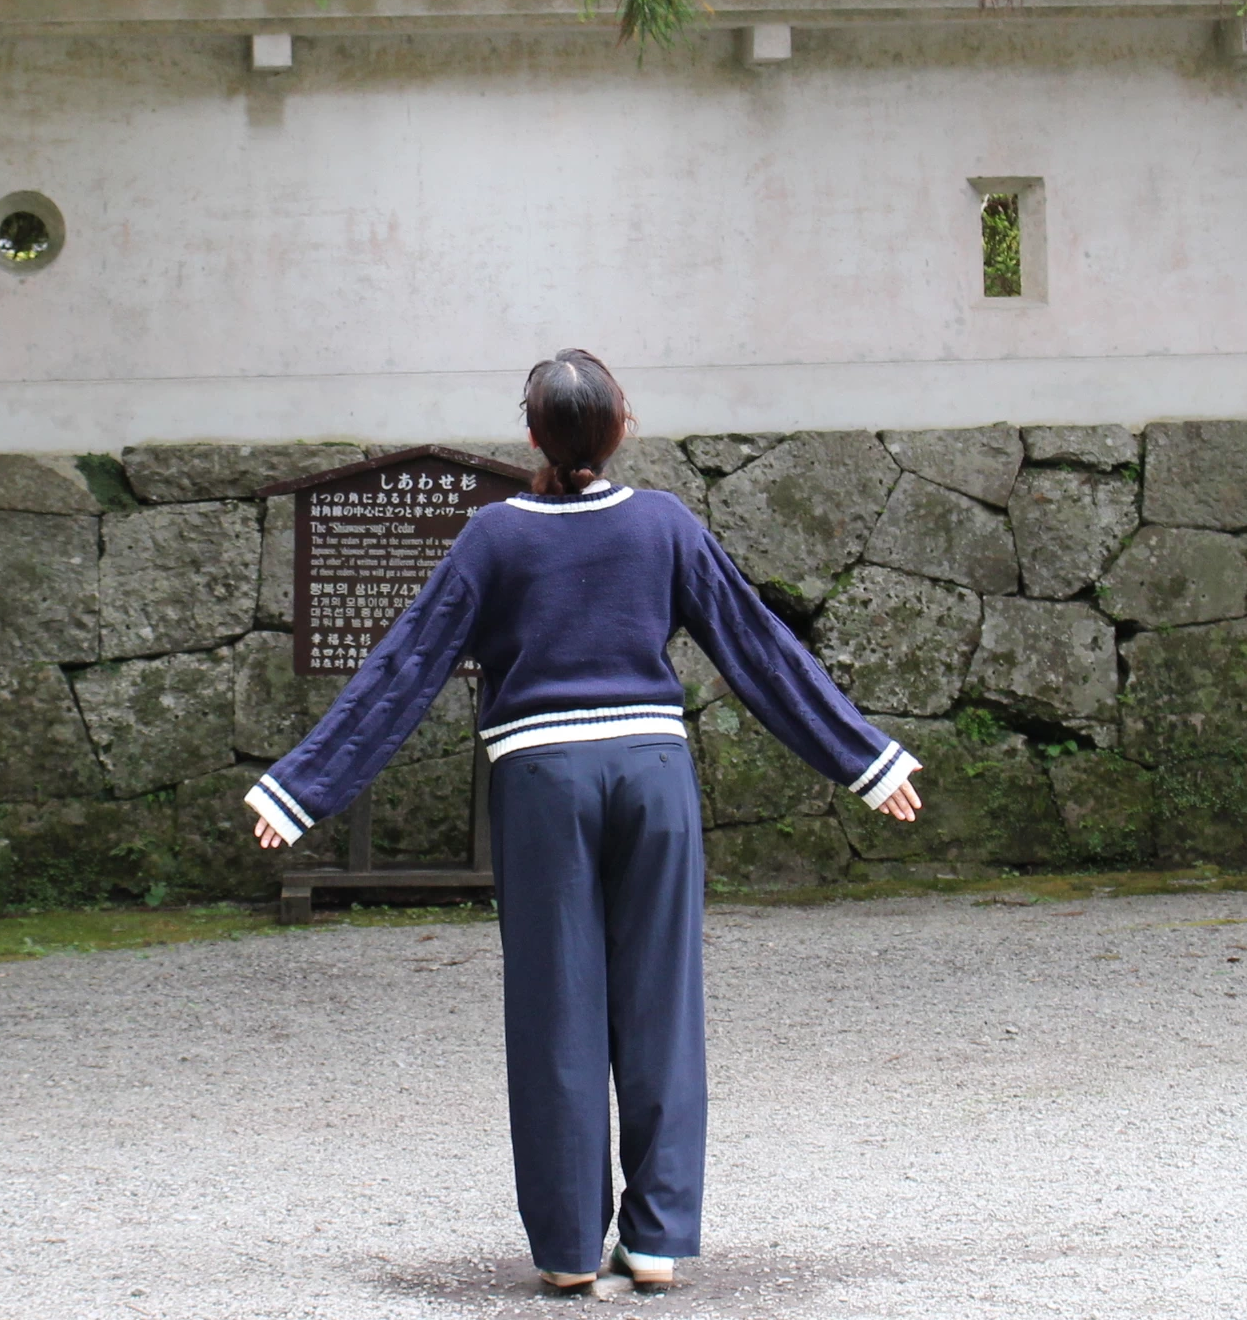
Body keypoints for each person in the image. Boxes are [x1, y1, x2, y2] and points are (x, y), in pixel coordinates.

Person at [242, 349, 926, 1294]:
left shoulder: (493, 537)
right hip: (653, 773)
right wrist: (865, 757)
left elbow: (406, 663)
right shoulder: (664, 523)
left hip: (541, 781)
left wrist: (301, 787)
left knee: (556, 1006)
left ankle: (568, 1250)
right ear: (621, 427)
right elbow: (758, 645)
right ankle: (657, 1241)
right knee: (661, 1004)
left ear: (531, 434)